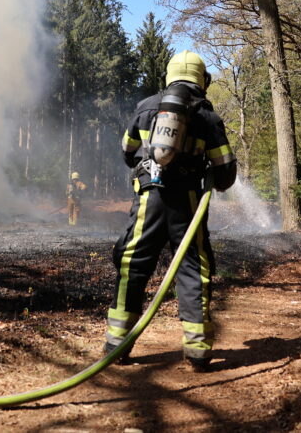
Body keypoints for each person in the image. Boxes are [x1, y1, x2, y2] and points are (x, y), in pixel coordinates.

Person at [105, 50, 237, 372]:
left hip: (148, 200)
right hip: (188, 204)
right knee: (193, 269)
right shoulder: (206, 115)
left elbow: (127, 152)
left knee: (133, 264)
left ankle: (115, 346)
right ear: (202, 80)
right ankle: (197, 351)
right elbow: (225, 173)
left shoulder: (146, 107)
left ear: (169, 77)